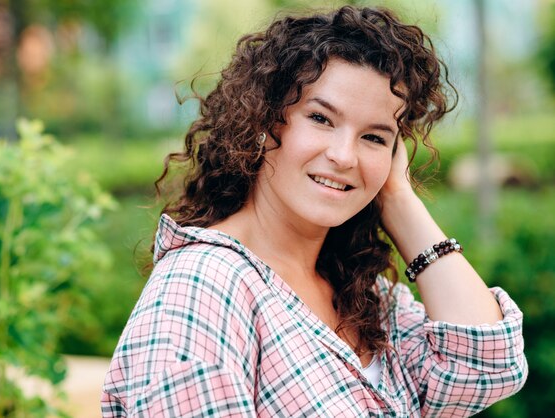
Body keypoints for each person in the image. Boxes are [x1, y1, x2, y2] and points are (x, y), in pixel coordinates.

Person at [102, 5, 527, 417]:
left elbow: (486, 366)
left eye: (374, 138)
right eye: (321, 118)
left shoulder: (362, 291)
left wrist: (397, 197)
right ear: (264, 121)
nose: (344, 156)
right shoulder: (203, 286)